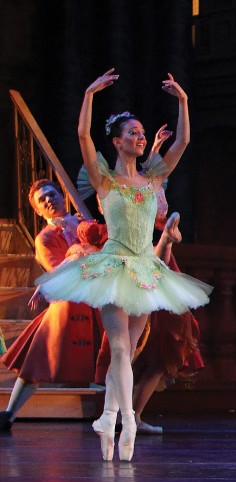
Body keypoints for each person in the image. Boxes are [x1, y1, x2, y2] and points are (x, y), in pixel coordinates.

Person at [35, 69, 212, 461]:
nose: (140, 137)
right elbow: (82, 136)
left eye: (142, 133)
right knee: (118, 347)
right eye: (132, 133)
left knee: (128, 352)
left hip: (146, 267)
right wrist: (88, 93)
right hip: (114, 265)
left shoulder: (152, 180)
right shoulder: (104, 180)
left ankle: (109, 415)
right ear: (117, 142)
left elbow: (182, 141)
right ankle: (127, 419)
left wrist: (182, 101)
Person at [0, 181, 102, 432]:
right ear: (37, 210)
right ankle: (10, 413)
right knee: (38, 357)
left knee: (113, 355)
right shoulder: (45, 237)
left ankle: (124, 415)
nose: (49, 201)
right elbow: (57, 272)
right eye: (42, 200)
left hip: (97, 296)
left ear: (62, 197)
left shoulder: (84, 224)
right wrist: (82, 254)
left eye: (52, 195)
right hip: (69, 300)